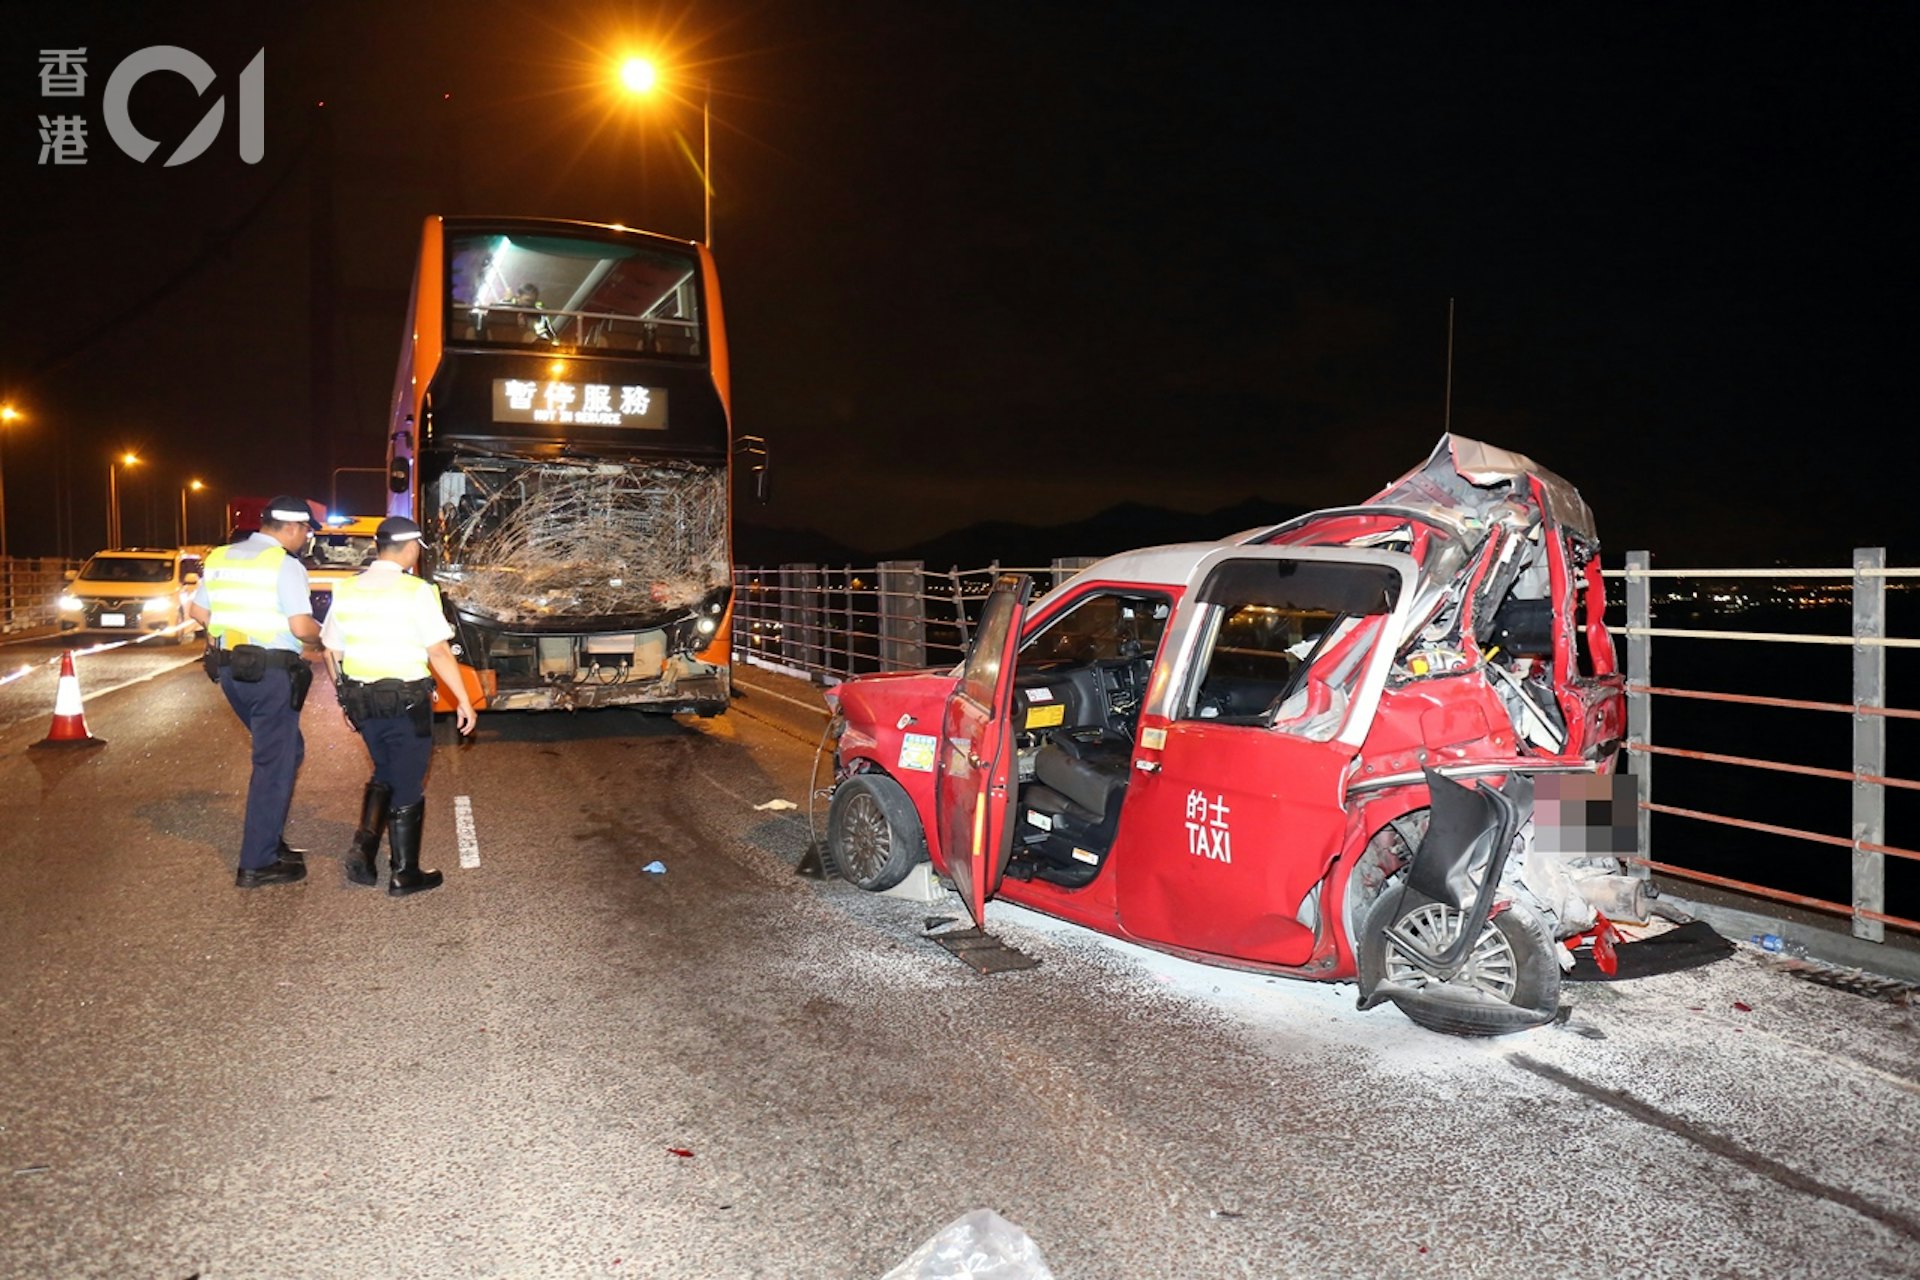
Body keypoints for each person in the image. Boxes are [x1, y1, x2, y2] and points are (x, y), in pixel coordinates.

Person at [320, 516, 478, 896]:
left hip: (363, 702)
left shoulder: (347, 589)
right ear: (409, 548)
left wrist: (344, 699)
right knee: (408, 781)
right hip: (406, 703)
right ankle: (405, 873)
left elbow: (330, 651)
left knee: (385, 769)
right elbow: (438, 651)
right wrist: (464, 700)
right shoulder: (417, 591)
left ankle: (364, 849)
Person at [187, 495, 320, 888]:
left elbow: (198, 612)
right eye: (306, 530)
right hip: (270, 674)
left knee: (288, 751)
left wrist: (234, 634)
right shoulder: (284, 564)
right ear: (291, 527)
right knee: (274, 763)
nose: (306, 537)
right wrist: (326, 637)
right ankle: (257, 862)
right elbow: (301, 627)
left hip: (232, 672)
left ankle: (268, 838)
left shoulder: (220, 557)